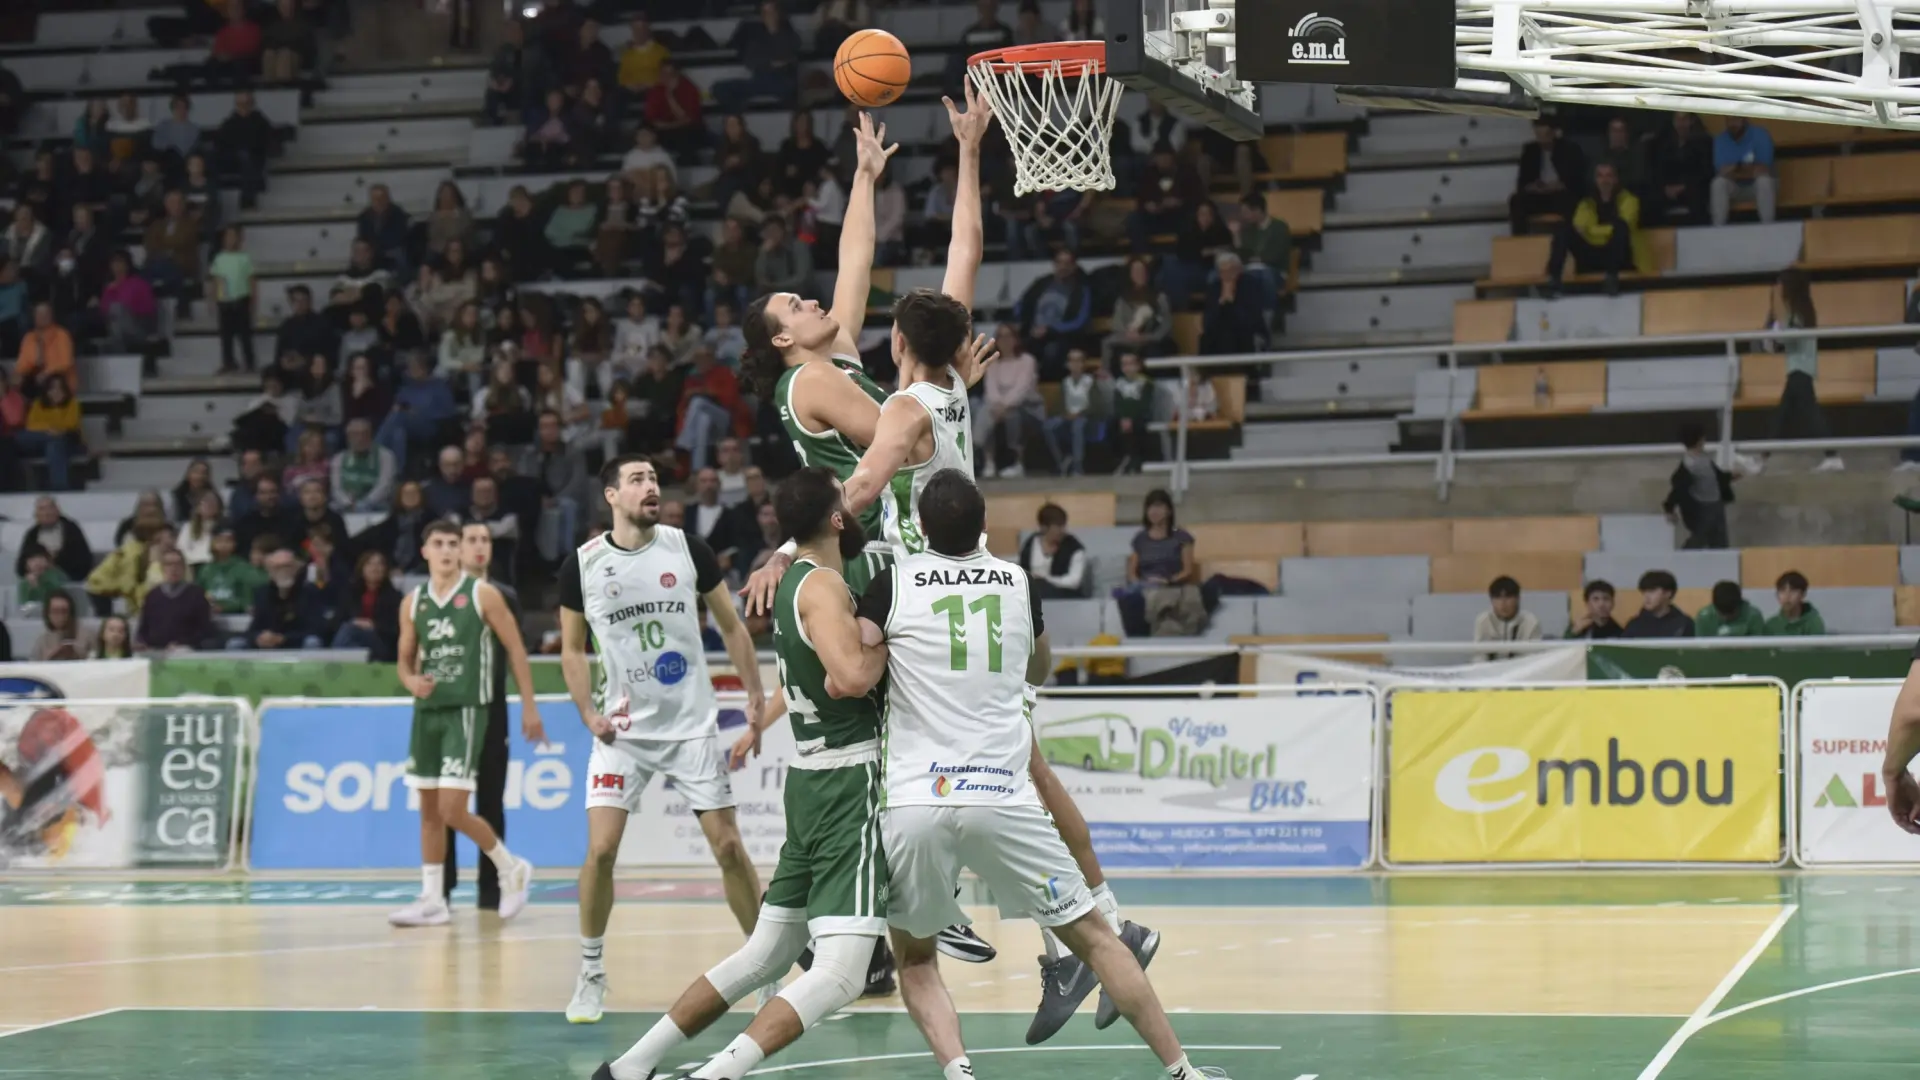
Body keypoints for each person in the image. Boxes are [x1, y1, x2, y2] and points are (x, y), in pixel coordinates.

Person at [851, 470, 1220, 1080]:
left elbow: (859, 670)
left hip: (916, 798)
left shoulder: (892, 582)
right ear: (983, 525)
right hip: (1003, 797)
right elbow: (1039, 669)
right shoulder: (1018, 581)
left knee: (914, 959)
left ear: (921, 528)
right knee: (1101, 941)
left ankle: (959, 1071)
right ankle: (1184, 1071)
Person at [596, 467, 883, 1080]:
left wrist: (761, 723)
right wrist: (884, 631)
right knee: (840, 973)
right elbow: (854, 678)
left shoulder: (791, 582)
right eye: (845, 499)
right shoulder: (825, 586)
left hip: (810, 782)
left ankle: (628, 1066)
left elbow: (800, 677)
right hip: (847, 782)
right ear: (836, 518)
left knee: (764, 953)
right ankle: (716, 1075)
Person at [559, 456, 768, 1024]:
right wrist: (586, 712)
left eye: (654, 479)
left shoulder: (687, 549)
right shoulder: (583, 565)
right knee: (601, 852)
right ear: (610, 496)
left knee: (728, 847)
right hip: (621, 732)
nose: (651, 488)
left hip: (692, 726)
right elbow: (571, 650)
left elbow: (730, 625)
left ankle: (766, 969)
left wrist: (753, 693)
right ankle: (591, 970)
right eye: (637, 480)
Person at [387, 521, 545, 928]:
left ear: (460, 552)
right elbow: (404, 658)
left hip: (467, 711)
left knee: (452, 808)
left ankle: (511, 868)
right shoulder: (413, 602)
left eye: (451, 544)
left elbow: (516, 649)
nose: (445, 550)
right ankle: (433, 898)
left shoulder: (483, 594)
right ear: (424, 551)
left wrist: (529, 705)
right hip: (427, 712)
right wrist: (409, 681)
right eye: (437, 543)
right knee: (428, 812)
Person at [438, 521, 519, 910]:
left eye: (485, 539)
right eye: (471, 540)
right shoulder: (438, 597)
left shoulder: (504, 596)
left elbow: (514, 652)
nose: (479, 546)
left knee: (491, 800)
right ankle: (442, 886)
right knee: (446, 802)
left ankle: (492, 888)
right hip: (450, 713)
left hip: (493, 712)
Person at [1768, 267, 1842, 471]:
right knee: (1781, 416)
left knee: (1809, 414)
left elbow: (1788, 336)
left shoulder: (1799, 312)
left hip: (1800, 369)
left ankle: (1833, 456)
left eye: (1781, 284)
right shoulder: (1800, 311)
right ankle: (1762, 458)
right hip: (1797, 368)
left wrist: (1778, 325)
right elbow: (1782, 342)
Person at [1544, 163, 1648, 296]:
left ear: (1616, 179)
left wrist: (1591, 230)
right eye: (1600, 176)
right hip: (1591, 256)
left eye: (1609, 176)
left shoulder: (1630, 200)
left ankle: (1612, 280)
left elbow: (1626, 225)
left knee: (1620, 228)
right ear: (1595, 180)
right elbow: (1578, 227)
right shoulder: (1586, 203)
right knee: (1563, 229)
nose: (1604, 180)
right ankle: (1553, 279)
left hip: (1619, 258)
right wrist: (1599, 231)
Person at [1509, 118, 1586, 235]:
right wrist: (1532, 186)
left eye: (1546, 134)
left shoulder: (1568, 149)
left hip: (1559, 195)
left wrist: (1559, 185)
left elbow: (1575, 180)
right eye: (1539, 134)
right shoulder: (1530, 150)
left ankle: (1570, 240)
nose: (1542, 139)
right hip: (1538, 196)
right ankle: (1520, 241)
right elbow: (1522, 182)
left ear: (1553, 133)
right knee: (1516, 201)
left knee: (1569, 201)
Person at [1663, 424, 1734, 549]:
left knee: (1718, 538)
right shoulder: (1689, 465)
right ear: (1699, 440)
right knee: (1701, 536)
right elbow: (1678, 489)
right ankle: (1685, 554)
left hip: (1716, 503)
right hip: (1703, 507)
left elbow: (1717, 476)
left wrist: (1732, 476)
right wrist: (1669, 508)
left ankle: (1720, 557)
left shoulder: (1704, 459)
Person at [136, 549, 212, 653]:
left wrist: (183, 643)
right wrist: (143, 643)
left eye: (178, 564)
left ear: (184, 568)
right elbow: (143, 629)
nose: (174, 568)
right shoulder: (152, 596)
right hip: (155, 650)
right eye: (169, 564)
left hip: (186, 649)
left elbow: (205, 629)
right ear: (162, 568)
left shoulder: (197, 594)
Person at [1711, 117, 1776, 225]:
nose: (1733, 123)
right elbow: (1722, 172)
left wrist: (1734, 168)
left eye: (1736, 119)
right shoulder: (1720, 140)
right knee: (1718, 183)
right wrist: (1745, 167)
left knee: (1764, 181)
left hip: (1755, 186)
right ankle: (1718, 229)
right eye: (1729, 119)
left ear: (1744, 119)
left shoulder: (1760, 135)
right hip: (1734, 188)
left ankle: (1768, 226)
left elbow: (1763, 169)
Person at [1020, 503, 1089, 599]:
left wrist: (1045, 579)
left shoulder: (1074, 548)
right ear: (1044, 528)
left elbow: (1074, 582)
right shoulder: (1031, 544)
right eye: (1058, 527)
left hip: (1064, 594)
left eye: (1063, 526)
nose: (1062, 530)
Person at [1474, 576, 1542, 660]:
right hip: (1490, 671)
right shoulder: (1483, 620)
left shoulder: (1531, 622)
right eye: (1498, 597)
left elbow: (1533, 658)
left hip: (1522, 670)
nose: (1503, 603)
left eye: (1508, 597)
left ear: (1518, 598)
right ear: (1491, 600)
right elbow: (1479, 657)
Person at [1623, 569, 1695, 638]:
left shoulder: (1684, 624)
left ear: (1667, 593)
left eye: (1652, 591)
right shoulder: (1634, 625)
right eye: (1644, 592)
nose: (1646, 596)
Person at [31, 593, 94, 662]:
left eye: (64, 611)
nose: (60, 616)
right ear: (48, 614)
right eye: (55, 611)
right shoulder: (42, 641)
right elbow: (33, 666)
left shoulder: (88, 636)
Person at [1694, 579, 1765, 637]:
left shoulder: (1753, 616)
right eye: (1722, 614)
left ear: (1740, 604)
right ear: (1714, 606)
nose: (1726, 618)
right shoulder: (1703, 618)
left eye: (1730, 614)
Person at [1766, 570, 1826, 636]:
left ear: (1802, 595)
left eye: (1793, 591)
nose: (1787, 596)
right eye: (1782, 590)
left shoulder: (1814, 623)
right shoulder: (1771, 625)